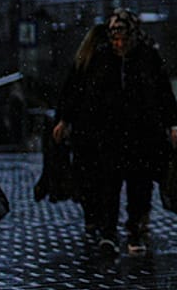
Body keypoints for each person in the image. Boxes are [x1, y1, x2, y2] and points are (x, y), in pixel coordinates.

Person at [53, 9, 177, 256]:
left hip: (142, 133)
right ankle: (108, 232)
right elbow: (79, 89)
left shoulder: (147, 57)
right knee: (107, 184)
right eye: (115, 38)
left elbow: (163, 93)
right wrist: (65, 119)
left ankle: (133, 231)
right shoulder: (101, 58)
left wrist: (171, 125)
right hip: (108, 132)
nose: (119, 44)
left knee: (138, 186)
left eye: (123, 38)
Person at [56, 22, 109, 236]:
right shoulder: (107, 63)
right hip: (101, 125)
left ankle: (92, 216)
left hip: (84, 126)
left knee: (87, 172)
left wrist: (65, 120)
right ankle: (101, 216)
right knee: (102, 173)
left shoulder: (82, 62)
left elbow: (70, 94)